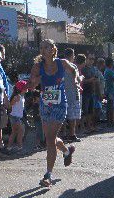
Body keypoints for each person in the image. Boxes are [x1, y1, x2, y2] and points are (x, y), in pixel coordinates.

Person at [28, 39, 77, 187]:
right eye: (41, 47)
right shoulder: (38, 67)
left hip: (60, 104)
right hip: (45, 105)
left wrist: (75, 81)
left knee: (49, 139)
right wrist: (37, 80)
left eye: (46, 47)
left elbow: (74, 70)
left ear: (53, 49)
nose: (43, 50)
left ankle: (48, 175)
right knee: (51, 138)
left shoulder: (62, 63)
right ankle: (66, 151)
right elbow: (32, 84)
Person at [62, 48, 82, 142]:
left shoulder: (59, 65)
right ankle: (72, 134)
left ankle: (63, 134)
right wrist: (81, 77)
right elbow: (77, 80)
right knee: (73, 115)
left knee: (62, 115)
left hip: (62, 93)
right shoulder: (73, 66)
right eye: (73, 55)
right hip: (73, 93)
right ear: (71, 55)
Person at [6, 80, 27, 152]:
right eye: (26, 87)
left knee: (14, 132)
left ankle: (9, 148)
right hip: (15, 117)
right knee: (21, 132)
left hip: (15, 116)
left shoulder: (21, 96)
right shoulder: (17, 97)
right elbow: (10, 105)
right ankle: (20, 148)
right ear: (22, 88)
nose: (27, 88)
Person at [80, 55, 97, 134]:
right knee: (84, 111)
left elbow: (95, 80)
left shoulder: (93, 69)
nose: (92, 60)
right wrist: (91, 80)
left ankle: (89, 126)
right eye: (90, 59)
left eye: (93, 59)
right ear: (86, 59)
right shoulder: (83, 69)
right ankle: (82, 127)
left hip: (92, 92)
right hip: (85, 92)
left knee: (90, 110)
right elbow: (81, 81)